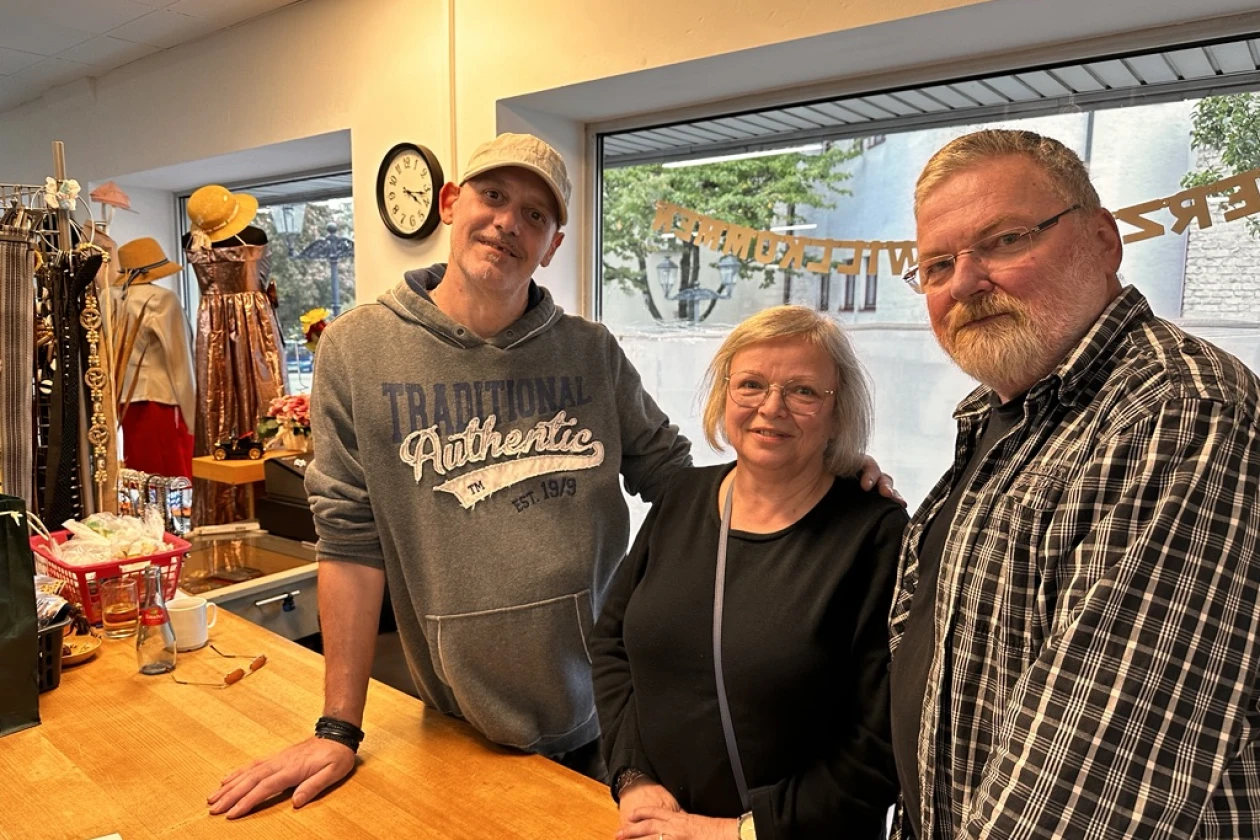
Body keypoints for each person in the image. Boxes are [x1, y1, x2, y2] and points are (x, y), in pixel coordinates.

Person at [207, 133, 897, 819]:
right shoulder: (359, 348)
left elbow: (681, 485)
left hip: (610, 727)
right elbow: (350, 543)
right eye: (494, 195)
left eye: (536, 214)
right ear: (451, 202)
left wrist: (817, 469)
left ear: (554, 244)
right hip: (457, 724)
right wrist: (338, 729)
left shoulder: (590, 353)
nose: (510, 221)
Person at [888, 129, 1260, 839]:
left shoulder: (1176, 410)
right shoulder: (1002, 416)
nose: (965, 281)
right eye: (937, 264)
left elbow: (1091, 786)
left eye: (1003, 241)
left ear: (1102, 240)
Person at [592, 305, 905, 840]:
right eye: (751, 384)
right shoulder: (682, 499)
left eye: (804, 391)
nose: (772, 407)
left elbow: (881, 743)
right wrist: (632, 776)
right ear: (724, 396)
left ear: (837, 412)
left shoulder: (875, 533)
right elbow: (611, 645)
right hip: (656, 828)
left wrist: (731, 833)